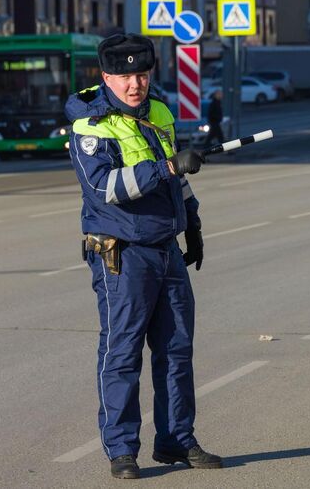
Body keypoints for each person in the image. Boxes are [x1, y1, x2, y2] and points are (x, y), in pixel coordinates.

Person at [65, 33, 222, 480]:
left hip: (165, 249)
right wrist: (167, 168)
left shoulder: (158, 110)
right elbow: (105, 189)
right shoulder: (90, 125)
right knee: (122, 352)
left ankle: (175, 439)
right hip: (123, 254)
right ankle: (121, 449)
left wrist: (191, 220)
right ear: (106, 76)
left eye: (142, 74)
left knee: (176, 350)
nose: (135, 84)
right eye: (125, 76)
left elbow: (177, 174)